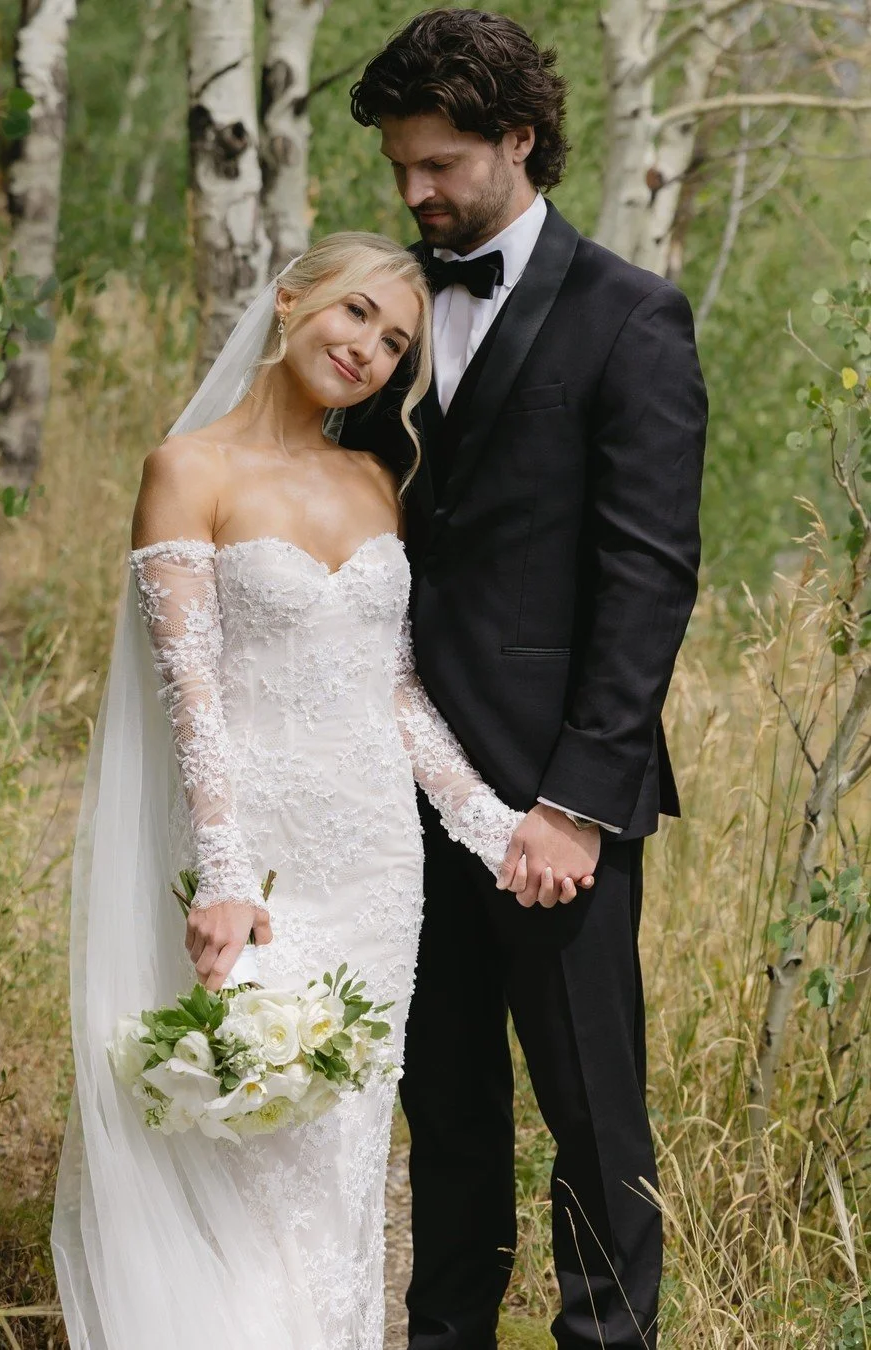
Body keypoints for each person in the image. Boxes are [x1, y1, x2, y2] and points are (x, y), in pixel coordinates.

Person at [51, 231, 577, 1350]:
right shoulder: (189, 469)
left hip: (379, 868)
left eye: (395, 343)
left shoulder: (376, 480)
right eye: (354, 318)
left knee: (342, 1164)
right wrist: (227, 876)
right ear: (290, 303)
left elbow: (395, 697)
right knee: (251, 1155)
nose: (370, 352)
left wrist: (492, 828)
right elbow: (190, 697)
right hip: (263, 867)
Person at [341, 11, 708, 1350]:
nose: (416, 192)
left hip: (549, 796)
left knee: (593, 1111)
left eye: (439, 163)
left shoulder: (630, 316)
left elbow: (650, 574)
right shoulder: (382, 303)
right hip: (391, 784)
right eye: (400, 168)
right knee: (441, 1104)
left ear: (518, 138)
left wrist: (575, 800)